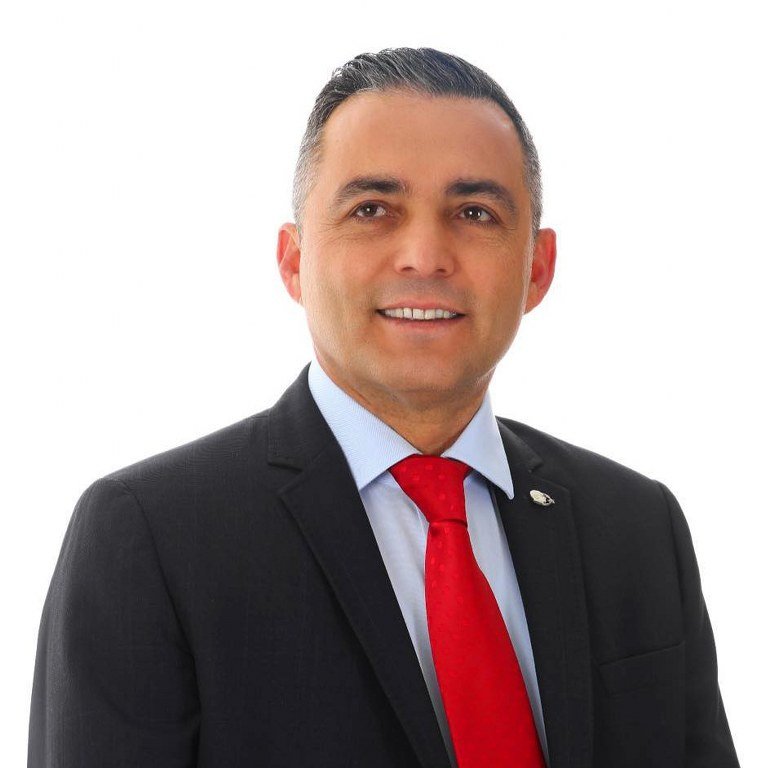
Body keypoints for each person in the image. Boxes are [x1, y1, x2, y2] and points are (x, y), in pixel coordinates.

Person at [27, 47, 740, 768]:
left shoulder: (636, 527)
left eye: (474, 212)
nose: (425, 255)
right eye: (372, 210)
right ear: (294, 260)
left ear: (537, 267)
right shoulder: (151, 537)